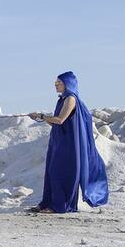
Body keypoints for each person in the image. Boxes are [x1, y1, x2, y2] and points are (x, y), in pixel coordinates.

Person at [27, 71, 109, 213]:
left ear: (68, 84)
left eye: (59, 82)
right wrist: (40, 118)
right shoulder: (62, 99)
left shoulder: (70, 99)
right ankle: (47, 203)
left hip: (68, 144)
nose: (56, 85)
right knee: (51, 172)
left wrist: (41, 115)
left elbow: (60, 120)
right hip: (58, 141)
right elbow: (57, 124)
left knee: (61, 173)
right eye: (56, 83)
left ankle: (60, 206)